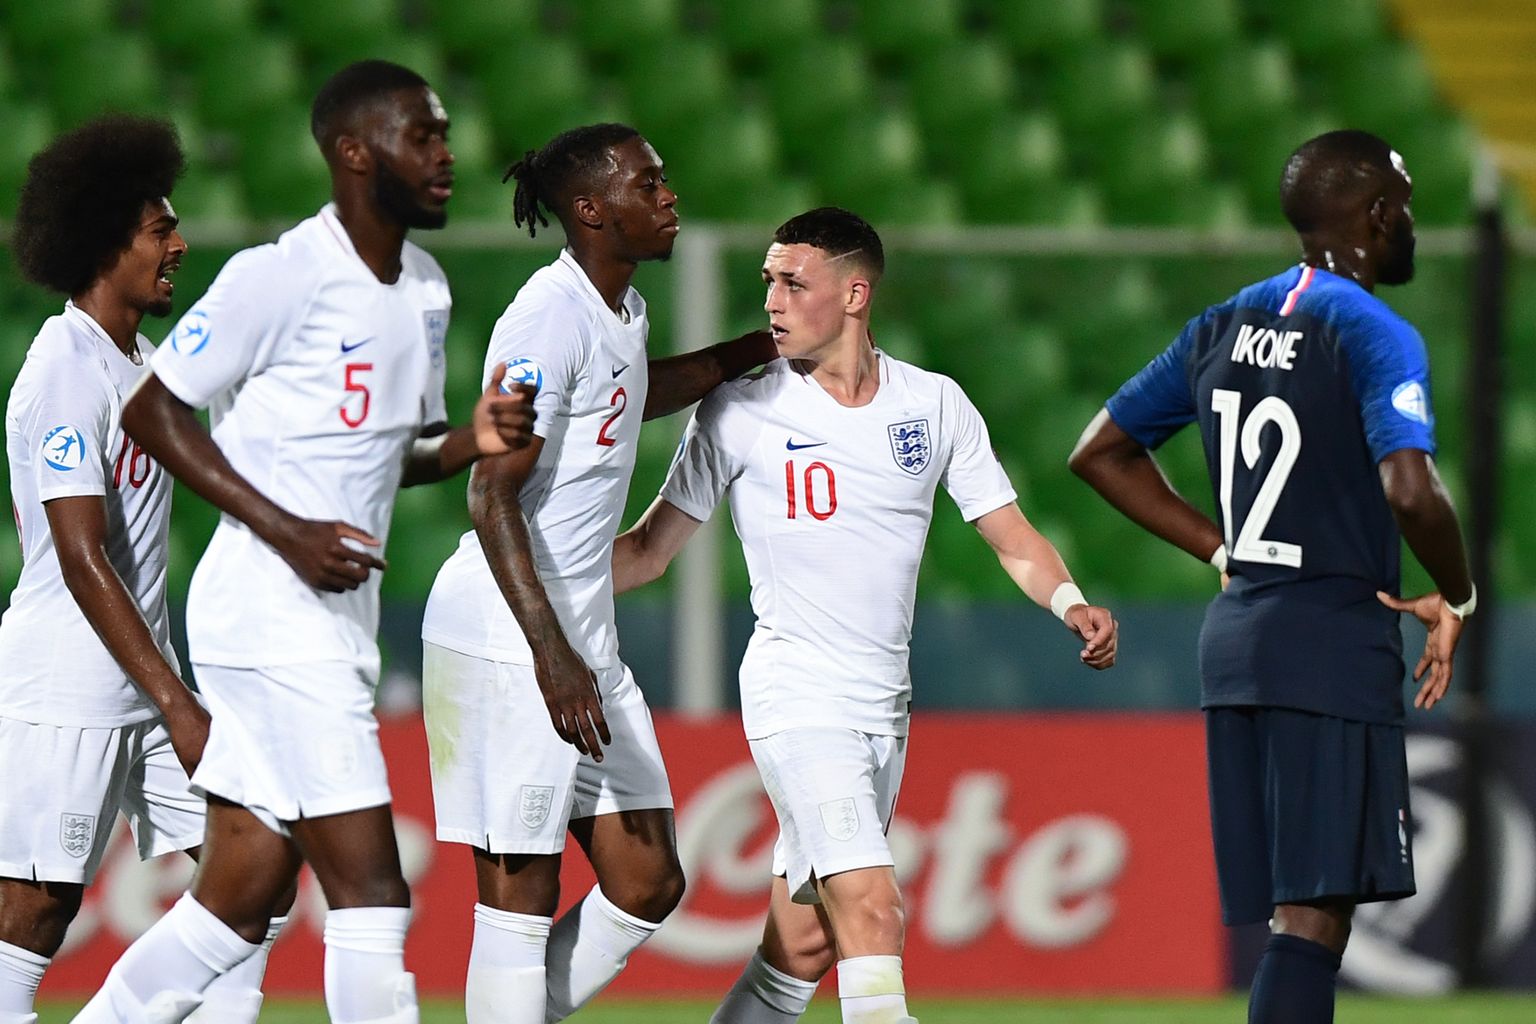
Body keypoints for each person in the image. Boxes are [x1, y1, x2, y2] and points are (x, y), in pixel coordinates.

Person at [72, 61, 536, 1024]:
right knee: (372, 894)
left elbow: (392, 453)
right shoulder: (280, 276)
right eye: (422, 136)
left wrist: (471, 441)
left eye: (444, 135)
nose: (446, 156)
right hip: (270, 613)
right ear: (355, 152)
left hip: (324, 614)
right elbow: (151, 411)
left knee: (240, 897)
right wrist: (286, 532)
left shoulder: (425, 289)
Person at [609, 207, 1118, 1024]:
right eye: (767, 280)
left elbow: (1012, 537)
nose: (771, 300)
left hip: (884, 706)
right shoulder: (742, 409)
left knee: (805, 945)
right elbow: (647, 551)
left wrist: (1071, 601)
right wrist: (526, 585)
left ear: (854, 294)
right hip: (797, 694)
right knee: (873, 911)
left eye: (792, 282)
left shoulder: (934, 404)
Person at [1068, 130, 1475, 1024]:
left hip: (1240, 645)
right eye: (1405, 206)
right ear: (1378, 215)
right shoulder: (1374, 332)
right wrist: (1458, 594)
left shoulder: (1224, 321)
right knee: (1313, 918)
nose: (1411, 223)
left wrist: (1223, 554)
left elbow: (1099, 452)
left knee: (1301, 915)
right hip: (1328, 643)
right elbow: (1412, 491)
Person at [418, 122, 776, 1024]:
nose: (669, 196)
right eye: (648, 185)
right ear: (591, 209)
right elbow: (489, 491)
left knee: (648, 878)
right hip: (511, 637)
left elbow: (629, 391)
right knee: (520, 891)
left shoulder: (618, 310)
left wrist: (753, 353)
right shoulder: (547, 319)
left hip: (580, 637)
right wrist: (551, 655)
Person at [0, 116, 285, 1024]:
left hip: (142, 676)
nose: (180, 245)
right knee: (33, 914)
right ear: (103, 243)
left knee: (258, 872)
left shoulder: (143, 366)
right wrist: (178, 703)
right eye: (161, 230)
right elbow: (81, 555)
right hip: (71, 685)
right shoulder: (64, 369)